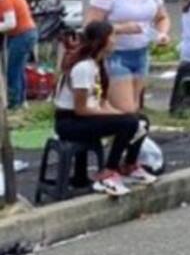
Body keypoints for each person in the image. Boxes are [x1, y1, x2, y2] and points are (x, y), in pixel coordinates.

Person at [54, 21, 155, 197]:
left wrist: (122, 115)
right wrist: (120, 118)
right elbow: (81, 109)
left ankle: (129, 166)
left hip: (86, 117)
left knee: (140, 121)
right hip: (70, 122)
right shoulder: (83, 67)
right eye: (112, 36)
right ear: (101, 41)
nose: (115, 40)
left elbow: (101, 101)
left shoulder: (98, 65)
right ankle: (108, 172)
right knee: (128, 123)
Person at [83, 0, 169, 114]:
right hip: (115, 54)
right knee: (125, 109)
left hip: (141, 52)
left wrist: (162, 34)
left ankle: (123, 138)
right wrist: (120, 28)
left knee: (135, 106)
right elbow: (90, 26)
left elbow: (162, 17)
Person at [0, 0, 37, 111]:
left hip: (22, 34)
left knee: (13, 70)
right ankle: (21, 101)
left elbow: (10, 23)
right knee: (19, 69)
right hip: (28, 33)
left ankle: (14, 103)